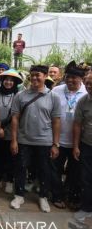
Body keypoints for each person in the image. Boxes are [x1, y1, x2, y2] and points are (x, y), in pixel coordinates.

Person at [10, 65, 61, 213]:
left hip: (44, 141)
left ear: (45, 76)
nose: (34, 78)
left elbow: (56, 121)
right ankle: (19, 195)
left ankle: (43, 196)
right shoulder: (21, 95)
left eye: (37, 75)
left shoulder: (53, 97)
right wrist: (14, 140)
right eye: (32, 75)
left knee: (44, 169)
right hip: (24, 140)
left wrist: (55, 144)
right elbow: (15, 119)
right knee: (20, 167)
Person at [51, 61, 87, 210]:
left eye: (75, 78)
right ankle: (57, 195)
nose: (71, 80)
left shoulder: (86, 93)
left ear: (82, 79)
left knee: (75, 171)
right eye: (68, 77)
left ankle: (71, 195)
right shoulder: (56, 91)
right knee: (55, 169)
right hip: (58, 139)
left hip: (78, 142)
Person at [0, 69, 23, 194]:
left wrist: (2, 125)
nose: (8, 82)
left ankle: (10, 181)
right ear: (2, 81)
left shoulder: (19, 95)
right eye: (6, 80)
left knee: (12, 157)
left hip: (13, 131)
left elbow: (15, 113)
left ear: (15, 83)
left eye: (11, 81)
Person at [73, 73, 92, 222]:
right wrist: (76, 146)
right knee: (86, 178)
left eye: (91, 83)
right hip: (87, 146)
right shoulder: (83, 101)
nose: (89, 86)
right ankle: (86, 207)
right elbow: (78, 125)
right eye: (87, 83)